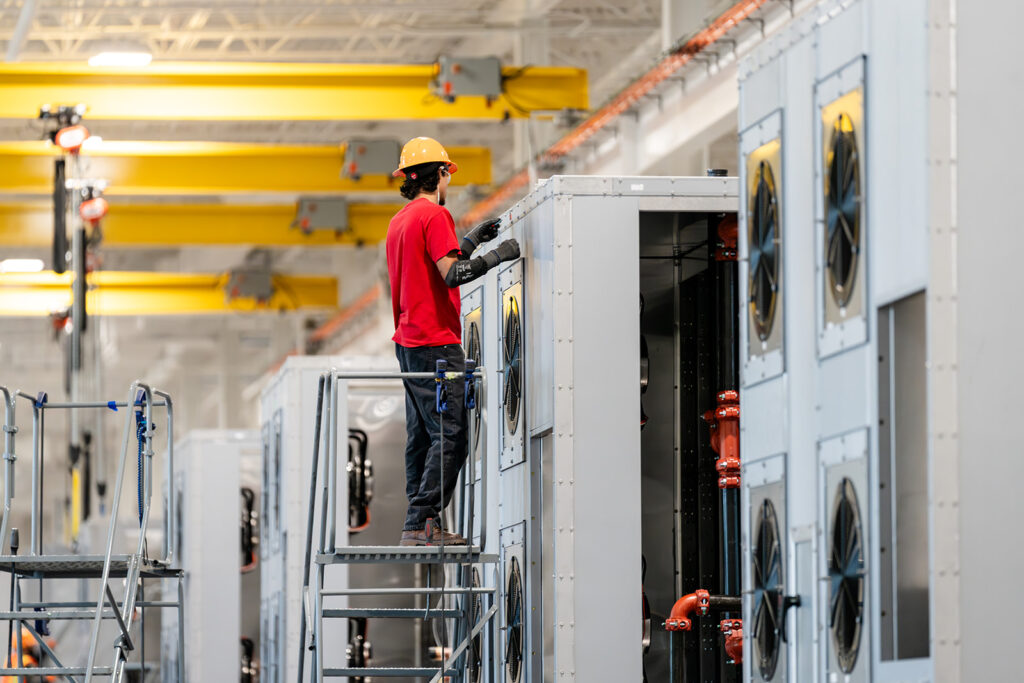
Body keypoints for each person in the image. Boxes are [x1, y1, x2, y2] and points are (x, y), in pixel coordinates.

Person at [386, 137, 520, 546]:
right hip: (436, 343)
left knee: (423, 435)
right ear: (440, 174)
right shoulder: (434, 215)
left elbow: (431, 268)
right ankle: (423, 521)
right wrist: (496, 257)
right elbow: (451, 275)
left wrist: (473, 242)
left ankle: (416, 519)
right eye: (448, 174)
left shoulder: (400, 221)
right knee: (452, 434)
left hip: (408, 342)